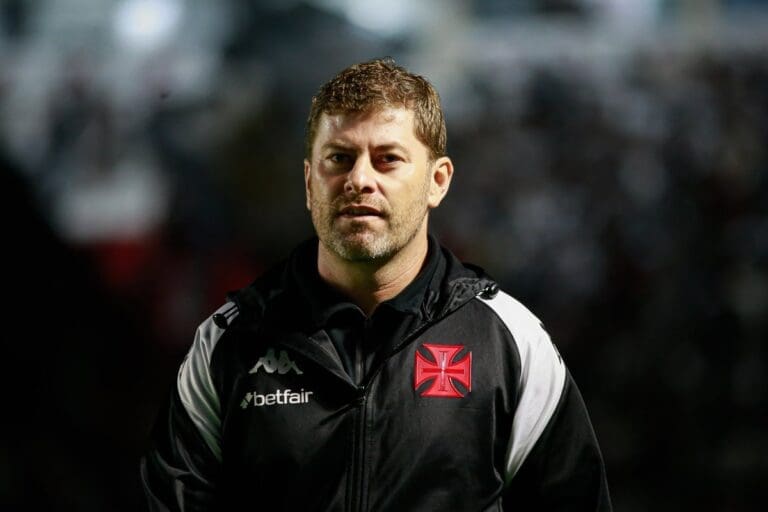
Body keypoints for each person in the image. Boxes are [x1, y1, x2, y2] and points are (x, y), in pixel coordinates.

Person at [140, 58, 612, 511]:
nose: (359, 179)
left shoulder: (509, 343)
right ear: (309, 182)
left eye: (387, 159)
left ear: (437, 181)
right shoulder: (229, 342)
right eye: (339, 158)